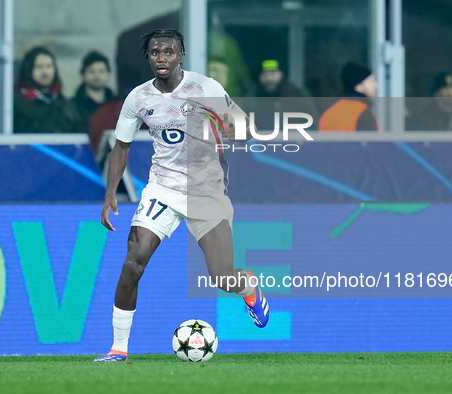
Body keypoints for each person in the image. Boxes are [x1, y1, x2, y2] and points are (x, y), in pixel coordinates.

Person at [94, 28, 269, 363]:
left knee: (222, 277)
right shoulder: (139, 98)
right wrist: (109, 194)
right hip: (162, 189)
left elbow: (244, 127)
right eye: (155, 52)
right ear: (148, 57)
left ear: (181, 55)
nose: (162, 58)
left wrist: (238, 131)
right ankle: (118, 349)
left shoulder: (206, 88)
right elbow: (121, 146)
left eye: (169, 52)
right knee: (133, 264)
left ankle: (247, 287)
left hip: (206, 191)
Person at [13, 46, 79, 133]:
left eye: (49, 66)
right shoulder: (16, 104)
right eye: (39, 67)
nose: (45, 71)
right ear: (28, 70)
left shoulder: (65, 105)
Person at [318, 62, 379, 132]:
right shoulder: (364, 116)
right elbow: (371, 142)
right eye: (371, 81)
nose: (376, 86)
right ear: (358, 86)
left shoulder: (328, 115)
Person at [72, 51, 115, 132]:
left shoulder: (116, 105)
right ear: (83, 75)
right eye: (92, 71)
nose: (97, 75)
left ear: (108, 74)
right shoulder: (72, 106)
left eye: (101, 71)